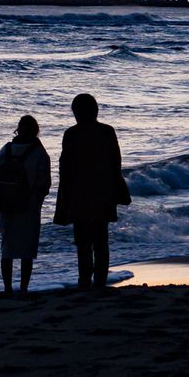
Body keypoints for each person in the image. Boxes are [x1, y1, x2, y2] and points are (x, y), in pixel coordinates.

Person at [53, 93, 125, 288]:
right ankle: (99, 280)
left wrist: (64, 197)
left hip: (79, 194)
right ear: (96, 111)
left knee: (83, 242)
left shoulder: (71, 134)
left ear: (76, 113)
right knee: (101, 240)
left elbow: (64, 167)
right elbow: (116, 163)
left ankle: (84, 280)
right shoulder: (107, 131)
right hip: (103, 192)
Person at [0, 114, 50, 294]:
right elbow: (44, 183)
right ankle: (23, 289)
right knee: (27, 250)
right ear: (36, 131)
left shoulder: (6, 149)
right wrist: (37, 201)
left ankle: (7, 288)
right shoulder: (39, 152)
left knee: (7, 248)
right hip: (29, 206)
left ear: (18, 129)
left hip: (6, 204)